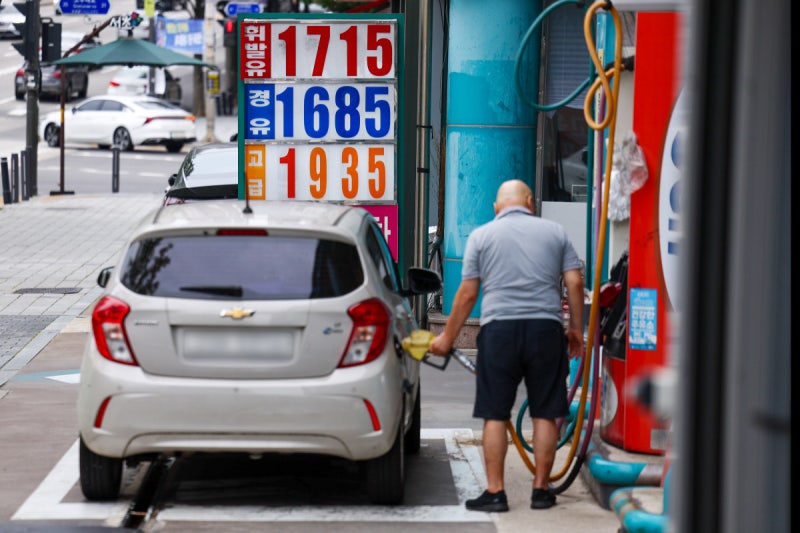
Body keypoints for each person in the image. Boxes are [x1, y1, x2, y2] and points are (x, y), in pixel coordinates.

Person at [428, 179, 585, 512]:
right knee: (545, 411)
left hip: (499, 332)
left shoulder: (482, 236)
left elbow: (468, 294)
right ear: (529, 201)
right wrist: (576, 331)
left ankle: (496, 493)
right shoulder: (555, 232)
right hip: (546, 331)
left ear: (497, 208)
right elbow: (575, 281)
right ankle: (542, 491)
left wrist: (446, 337)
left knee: (495, 414)